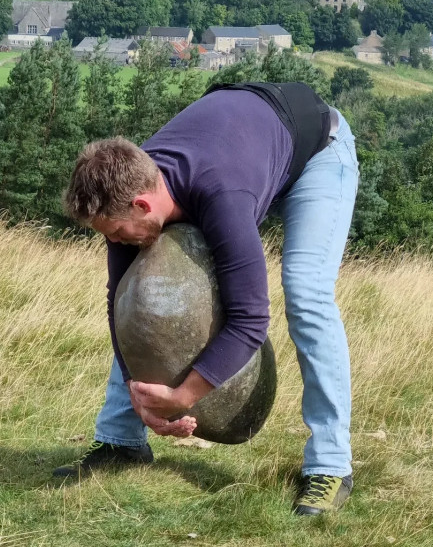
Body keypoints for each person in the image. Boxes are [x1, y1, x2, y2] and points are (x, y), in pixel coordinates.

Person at [58, 81, 360, 517]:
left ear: (143, 205)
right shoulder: (122, 187)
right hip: (246, 145)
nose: (115, 242)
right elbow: (118, 303)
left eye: (116, 233)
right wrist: (142, 396)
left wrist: (183, 397)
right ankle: (121, 442)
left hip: (317, 152)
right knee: (138, 292)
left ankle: (330, 466)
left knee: (305, 291)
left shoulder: (221, 192)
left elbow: (250, 318)